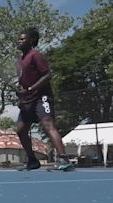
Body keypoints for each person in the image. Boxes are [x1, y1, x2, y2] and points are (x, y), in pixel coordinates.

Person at [15, 27, 72, 171]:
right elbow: (23, 82)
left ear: (31, 40)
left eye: (22, 38)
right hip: (27, 100)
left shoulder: (36, 55)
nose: (19, 41)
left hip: (41, 97)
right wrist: (22, 94)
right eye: (19, 39)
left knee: (48, 124)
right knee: (21, 130)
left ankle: (64, 158)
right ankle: (33, 161)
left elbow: (47, 75)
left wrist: (31, 89)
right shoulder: (19, 61)